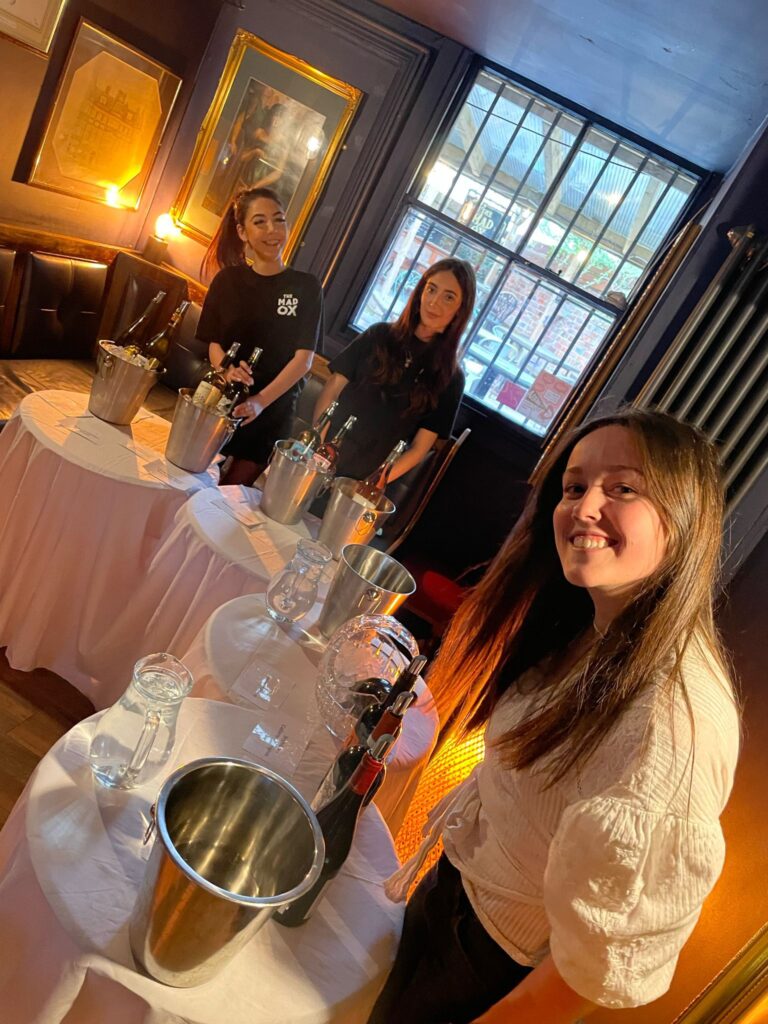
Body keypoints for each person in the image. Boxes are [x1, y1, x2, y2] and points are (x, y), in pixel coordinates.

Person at [368, 408, 740, 1024]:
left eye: (623, 487)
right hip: (456, 900)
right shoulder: (597, 625)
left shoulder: (671, 724)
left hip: (486, 969)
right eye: (573, 487)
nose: (585, 507)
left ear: (685, 516)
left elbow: (589, 970)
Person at [197, 186, 324, 485]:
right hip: (221, 399)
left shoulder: (306, 287)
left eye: (279, 220)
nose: (272, 230)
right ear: (242, 232)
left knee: (226, 502)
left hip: (271, 414)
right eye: (260, 222)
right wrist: (226, 370)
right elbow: (214, 341)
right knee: (190, 483)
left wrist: (260, 401)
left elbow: (304, 360)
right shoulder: (227, 280)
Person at [313, 258, 476, 484]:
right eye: (431, 289)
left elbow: (419, 448)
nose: (434, 302)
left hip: (365, 477)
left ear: (461, 309)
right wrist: (318, 440)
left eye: (449, 297)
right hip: (322, 451)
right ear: (420, 292)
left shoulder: (450, 378)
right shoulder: (378, 335)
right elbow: (333, 387)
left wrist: (373, 482)